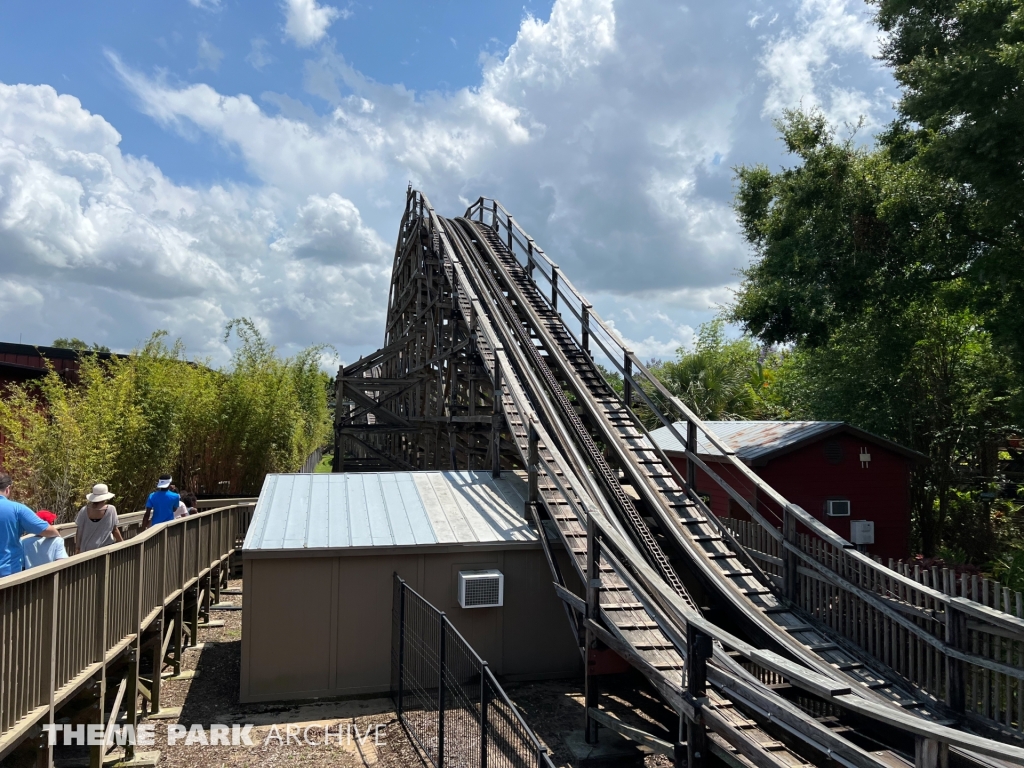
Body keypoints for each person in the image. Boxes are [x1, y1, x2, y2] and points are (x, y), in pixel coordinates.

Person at [0, 471, 61, 577]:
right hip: (7, 574)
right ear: (8, 488)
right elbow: (46, 530)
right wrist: (57, 535)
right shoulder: (17, 509)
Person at [76, 484, 123, 553]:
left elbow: (79, 531)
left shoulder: (84, 510)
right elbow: (114, 529)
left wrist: (77, 548)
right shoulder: (111, 509)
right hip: (104, 550)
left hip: (86, 551)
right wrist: (122, 542)